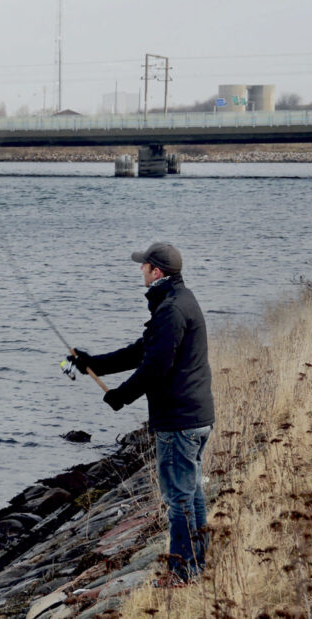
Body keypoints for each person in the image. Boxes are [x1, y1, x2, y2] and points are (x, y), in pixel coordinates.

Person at [70, 242, 214, 585]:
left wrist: (122, 397)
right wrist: (94, 363)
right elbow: (142, 350)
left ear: (157, 272)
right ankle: (196, 564)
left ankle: (183, 573)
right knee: (191, 493)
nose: (141, 270)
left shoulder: (171, 310)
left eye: (145, 266)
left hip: (180, 421)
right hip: (195, 416)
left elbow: (155, 367)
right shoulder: (179, 301)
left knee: (179, 498)